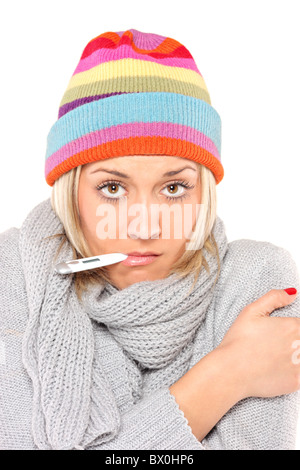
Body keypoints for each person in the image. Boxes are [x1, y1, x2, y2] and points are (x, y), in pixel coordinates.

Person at [0, 28, 299, 451]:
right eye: (112, 188)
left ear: (205, 193)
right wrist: (227, 374)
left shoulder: (256, 280)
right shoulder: (17, 267)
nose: (144, 227)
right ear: (72, 192)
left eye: (174, 188)